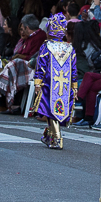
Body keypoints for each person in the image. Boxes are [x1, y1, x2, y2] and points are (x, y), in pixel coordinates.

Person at [30, 13, 78, 149]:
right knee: (58, 108)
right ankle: (49, 136)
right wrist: (74, 86)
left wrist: (38, 82)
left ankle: (57, 137)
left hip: (49, 83)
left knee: (50, 109)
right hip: (65, 84)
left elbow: (41, 65)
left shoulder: (46, 46)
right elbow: (74, 69)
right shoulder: (70, 48)